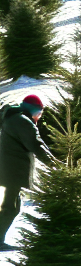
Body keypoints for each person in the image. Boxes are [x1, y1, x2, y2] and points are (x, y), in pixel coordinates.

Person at [0, 95, 57, 250]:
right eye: (38, 113)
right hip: (10, 172)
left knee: (11, 207)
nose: (38, 117)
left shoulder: (13, 118)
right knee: (9, 208)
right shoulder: (22, 122)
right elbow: (36, 145)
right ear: (32, 110)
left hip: (8, 171)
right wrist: (54, 164)